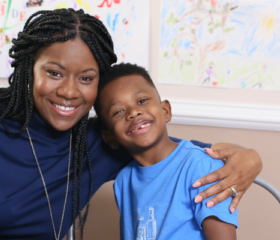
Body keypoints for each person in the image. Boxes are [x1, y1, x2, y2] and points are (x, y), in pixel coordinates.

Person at [0, 9, 261, 240]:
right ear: (28, 70)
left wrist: (249, 157)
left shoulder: (101, 143)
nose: (69, 92)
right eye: (54, 73)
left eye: (86, 78)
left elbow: (175, 152)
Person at [94, 63, 238, 240]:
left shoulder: (201, 165)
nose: (133, 112)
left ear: (165, 111)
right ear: (110, 138)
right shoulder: (124, 181)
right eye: (118, 111)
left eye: (141, 101)